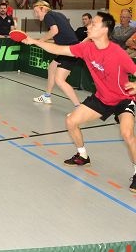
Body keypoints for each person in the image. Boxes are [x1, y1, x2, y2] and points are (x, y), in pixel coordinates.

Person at [23, 13, 136, 191]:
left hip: (123, 99)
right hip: (102, 98)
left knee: (127, 134)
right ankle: (82, 156)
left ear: (105, 29)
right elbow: (59, 49)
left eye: (94, 24)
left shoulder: (118, 53)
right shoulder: (86, 48)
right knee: (71, 121)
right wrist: (34, 41)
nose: (88, 26)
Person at [31, 1, 81, 106]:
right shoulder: (58, 14)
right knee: (51, 68)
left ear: (43, 9)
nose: (36, 15)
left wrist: (40, 41)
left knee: (59, 80)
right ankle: (47, 96)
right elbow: (63, 34)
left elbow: (54, 31)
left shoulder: (48, 16)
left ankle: (78, 107)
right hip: (66, 49)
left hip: (70, 50)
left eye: (36, 11)